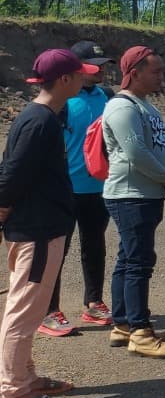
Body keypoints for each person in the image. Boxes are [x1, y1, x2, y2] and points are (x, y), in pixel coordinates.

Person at [0, 49, 99, 398]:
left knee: (30, 307)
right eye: (80, 75)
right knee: (23, 313)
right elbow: (11, 175)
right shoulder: (39, 121)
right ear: (65, 80)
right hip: (37, 230)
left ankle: (25, 378)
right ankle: (12, 393)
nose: (85, 79)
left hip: (40, 227)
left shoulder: (41, 117)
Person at [102, 46, 165, 358]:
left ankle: (123, 325)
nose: (161, 77)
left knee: (129, 259)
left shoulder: (145, 106)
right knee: (138, 263)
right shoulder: (122, 108)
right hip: (130, 196)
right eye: (156, 71)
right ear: (134, 73)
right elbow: (136, 154)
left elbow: (158, 147)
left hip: (143, 194)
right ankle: (140, 332)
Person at [39, 40, 116, 338]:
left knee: (94, 245)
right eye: (94, 65)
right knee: (57, 251)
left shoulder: (107, 97)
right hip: (65, 189)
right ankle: (49, 310)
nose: (101, 70)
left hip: (98, 187)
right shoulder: (62, 102)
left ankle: (94, 302)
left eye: (104, 64)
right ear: (76, 69)